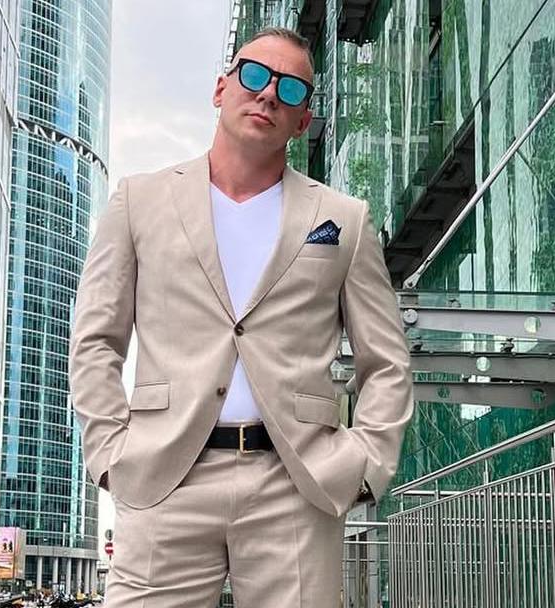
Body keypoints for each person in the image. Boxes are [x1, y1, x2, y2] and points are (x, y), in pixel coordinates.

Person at [69, 26, 413, 607]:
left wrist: (367, 462)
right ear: (220, 88)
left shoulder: (345, 220)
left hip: (295, 482)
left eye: (291, 88)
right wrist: (110, 452)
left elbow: (386, 362)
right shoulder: (139, 201)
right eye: (254, 75)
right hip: (163, 477)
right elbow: (96, 340)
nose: (269, 93)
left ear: (303, 121)